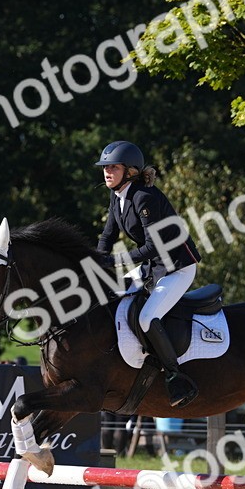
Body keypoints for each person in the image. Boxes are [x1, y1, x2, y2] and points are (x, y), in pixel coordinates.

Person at [94, 140, 202, 408]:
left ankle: (176, 377)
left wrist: (115, 260)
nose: (107, 172)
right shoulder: (117, 196)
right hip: (152, 267)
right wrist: (94, 262)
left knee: (146, 317)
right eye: (105, 167)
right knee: (111, 297)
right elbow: (108, 235)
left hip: (177, 267)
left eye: (113, 167)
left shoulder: (144, 197)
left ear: (130, 171)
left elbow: (155, 245)